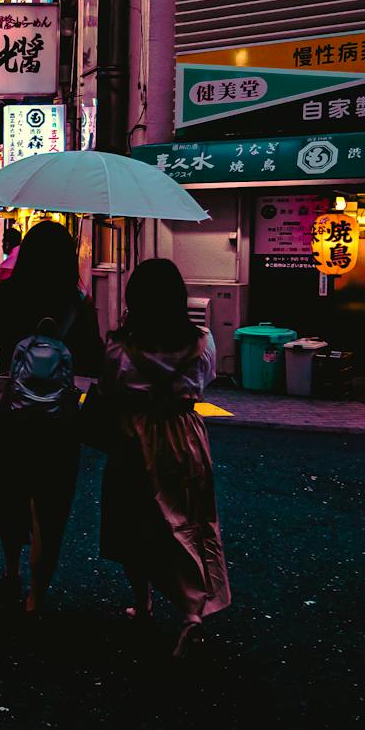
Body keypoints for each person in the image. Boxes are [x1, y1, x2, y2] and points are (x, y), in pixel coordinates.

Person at [0, 222, 102, 614]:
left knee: (12, 488)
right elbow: (94, 359)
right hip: (60, 417)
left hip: (9, 413)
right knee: (52, 500)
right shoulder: (77, 300)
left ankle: (12, 569)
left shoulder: (4, 294)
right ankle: (39, 590)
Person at [97, 258, 231, 656]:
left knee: (134, 520)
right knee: (189, 520)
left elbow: (108, 390)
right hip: (186, 436)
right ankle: (192, 611)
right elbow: (205, 381)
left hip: (134, 439)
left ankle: (143, 601)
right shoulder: (203, 342)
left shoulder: (120, 348)